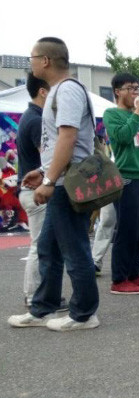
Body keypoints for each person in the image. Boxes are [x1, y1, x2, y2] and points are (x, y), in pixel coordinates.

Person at [8, 37, 100, 331]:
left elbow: (68, 138)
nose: (30, 63)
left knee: (74, 250)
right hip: (59, 180)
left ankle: (84, 314)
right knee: (48, 247)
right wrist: (42, 170)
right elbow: (56, 143)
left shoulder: (68, 90)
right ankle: (42, 308)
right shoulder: (60, 92)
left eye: (32, 58)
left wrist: (49, 179)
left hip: (67, 185)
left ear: (45, 60)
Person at [103, 73, 139, 294]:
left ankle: (134, 274)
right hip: (126, 175)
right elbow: (122, 137)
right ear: (118, 91)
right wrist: (137, 113)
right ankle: (119, 279)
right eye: (131, 88)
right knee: (126, 229)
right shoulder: (112, 114)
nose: (136, 93)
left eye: (138, 89)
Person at [15, 72, 60, 308]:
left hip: (33, 190)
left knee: (44, 245)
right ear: (43, 92)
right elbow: (49, 157)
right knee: (40, 246)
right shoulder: (36, 121)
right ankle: (34, 297)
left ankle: (43, 295)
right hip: (36, 191)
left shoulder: (31, 117)